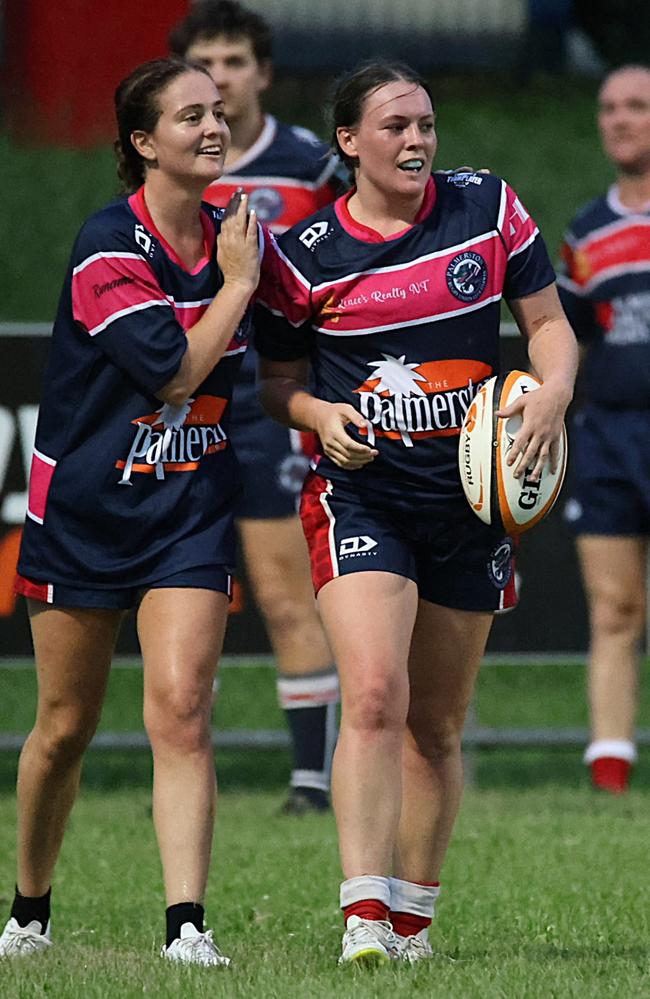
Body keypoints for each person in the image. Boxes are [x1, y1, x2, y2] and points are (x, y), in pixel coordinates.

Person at [254, 60, 578, 964]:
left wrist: (551, 396)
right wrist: (321, 415)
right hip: (360, 492)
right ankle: (363, 911)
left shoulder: (489, 209)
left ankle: (411, 925)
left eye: (427, 124)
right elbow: (277, 384)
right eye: (394, 127)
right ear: (350, 142)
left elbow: (549, 326)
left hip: (471, 501)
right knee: (372, 691)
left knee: (436, 722)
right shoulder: (303, 257)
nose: (417, 141)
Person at [0, 57, 260, 965]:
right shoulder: (110, 246)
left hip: (187, 509)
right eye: (190, 116)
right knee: (65, 726)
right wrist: (234, 287)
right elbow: (178, 371)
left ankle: (186, 926)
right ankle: (28, 907)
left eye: (218, 112)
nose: (213, 127)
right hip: (86, 512)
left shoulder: (239, 231)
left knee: (184, 707)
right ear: (144, 143)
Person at [169, 0, 341, 815]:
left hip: (272, 397)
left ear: (262, 72)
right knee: (178, 589)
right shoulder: (169, 168)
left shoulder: (310, 163)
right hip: (185, 399)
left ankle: (313, 779)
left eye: (235, 61)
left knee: (282, 589)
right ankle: (176, 766)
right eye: (206, 64)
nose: (223, 77)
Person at [558, 64, 650, 794]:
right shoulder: (586, 232)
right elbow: (574, 340)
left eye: (637, 107)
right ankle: (611, 771)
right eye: (609, 107)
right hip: (611, 435)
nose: (619, 119)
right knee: (614, 606)